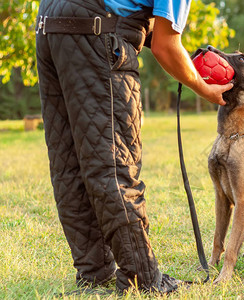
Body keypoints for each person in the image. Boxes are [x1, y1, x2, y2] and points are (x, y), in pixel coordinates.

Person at [35, 0, 232, 294]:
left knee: (70, 161)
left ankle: (95, 272)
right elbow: (166, 46)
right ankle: (143, 277)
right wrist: (202, 86)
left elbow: (150, 29)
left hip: (49, 23)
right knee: (114, 164)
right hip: (97, 30)